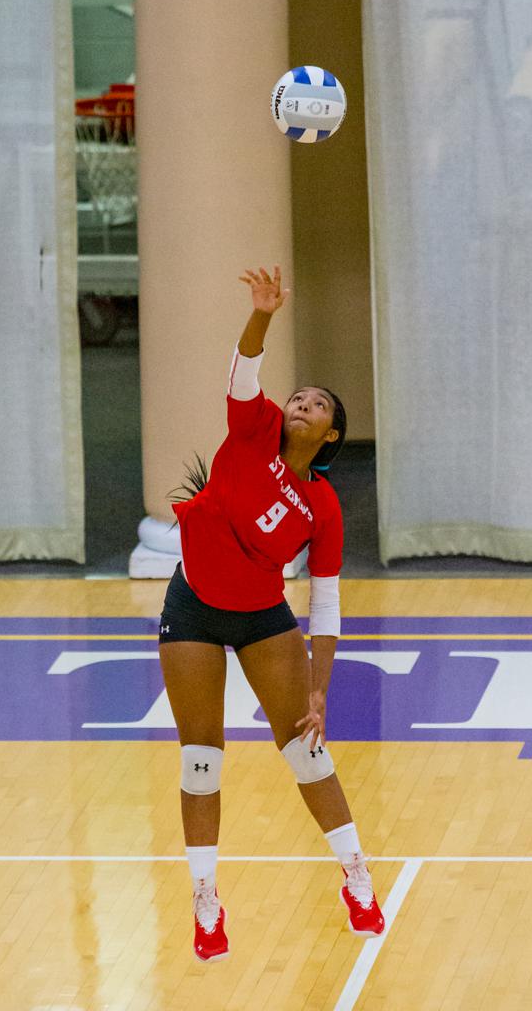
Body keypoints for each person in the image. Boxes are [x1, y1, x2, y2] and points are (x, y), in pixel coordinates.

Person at [158, 265, 385, 963]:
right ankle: (205, 901)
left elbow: (326, 602)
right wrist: (262, 314)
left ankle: (354, 874)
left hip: (262, 620)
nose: (301, 402)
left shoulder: (321, 506)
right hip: (192, 606)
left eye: (316, 403)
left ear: (331, 433)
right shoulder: (253, 430)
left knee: (305, 752)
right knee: (200, 762)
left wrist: (318, 689)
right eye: (299, 395)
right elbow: (244, 372)